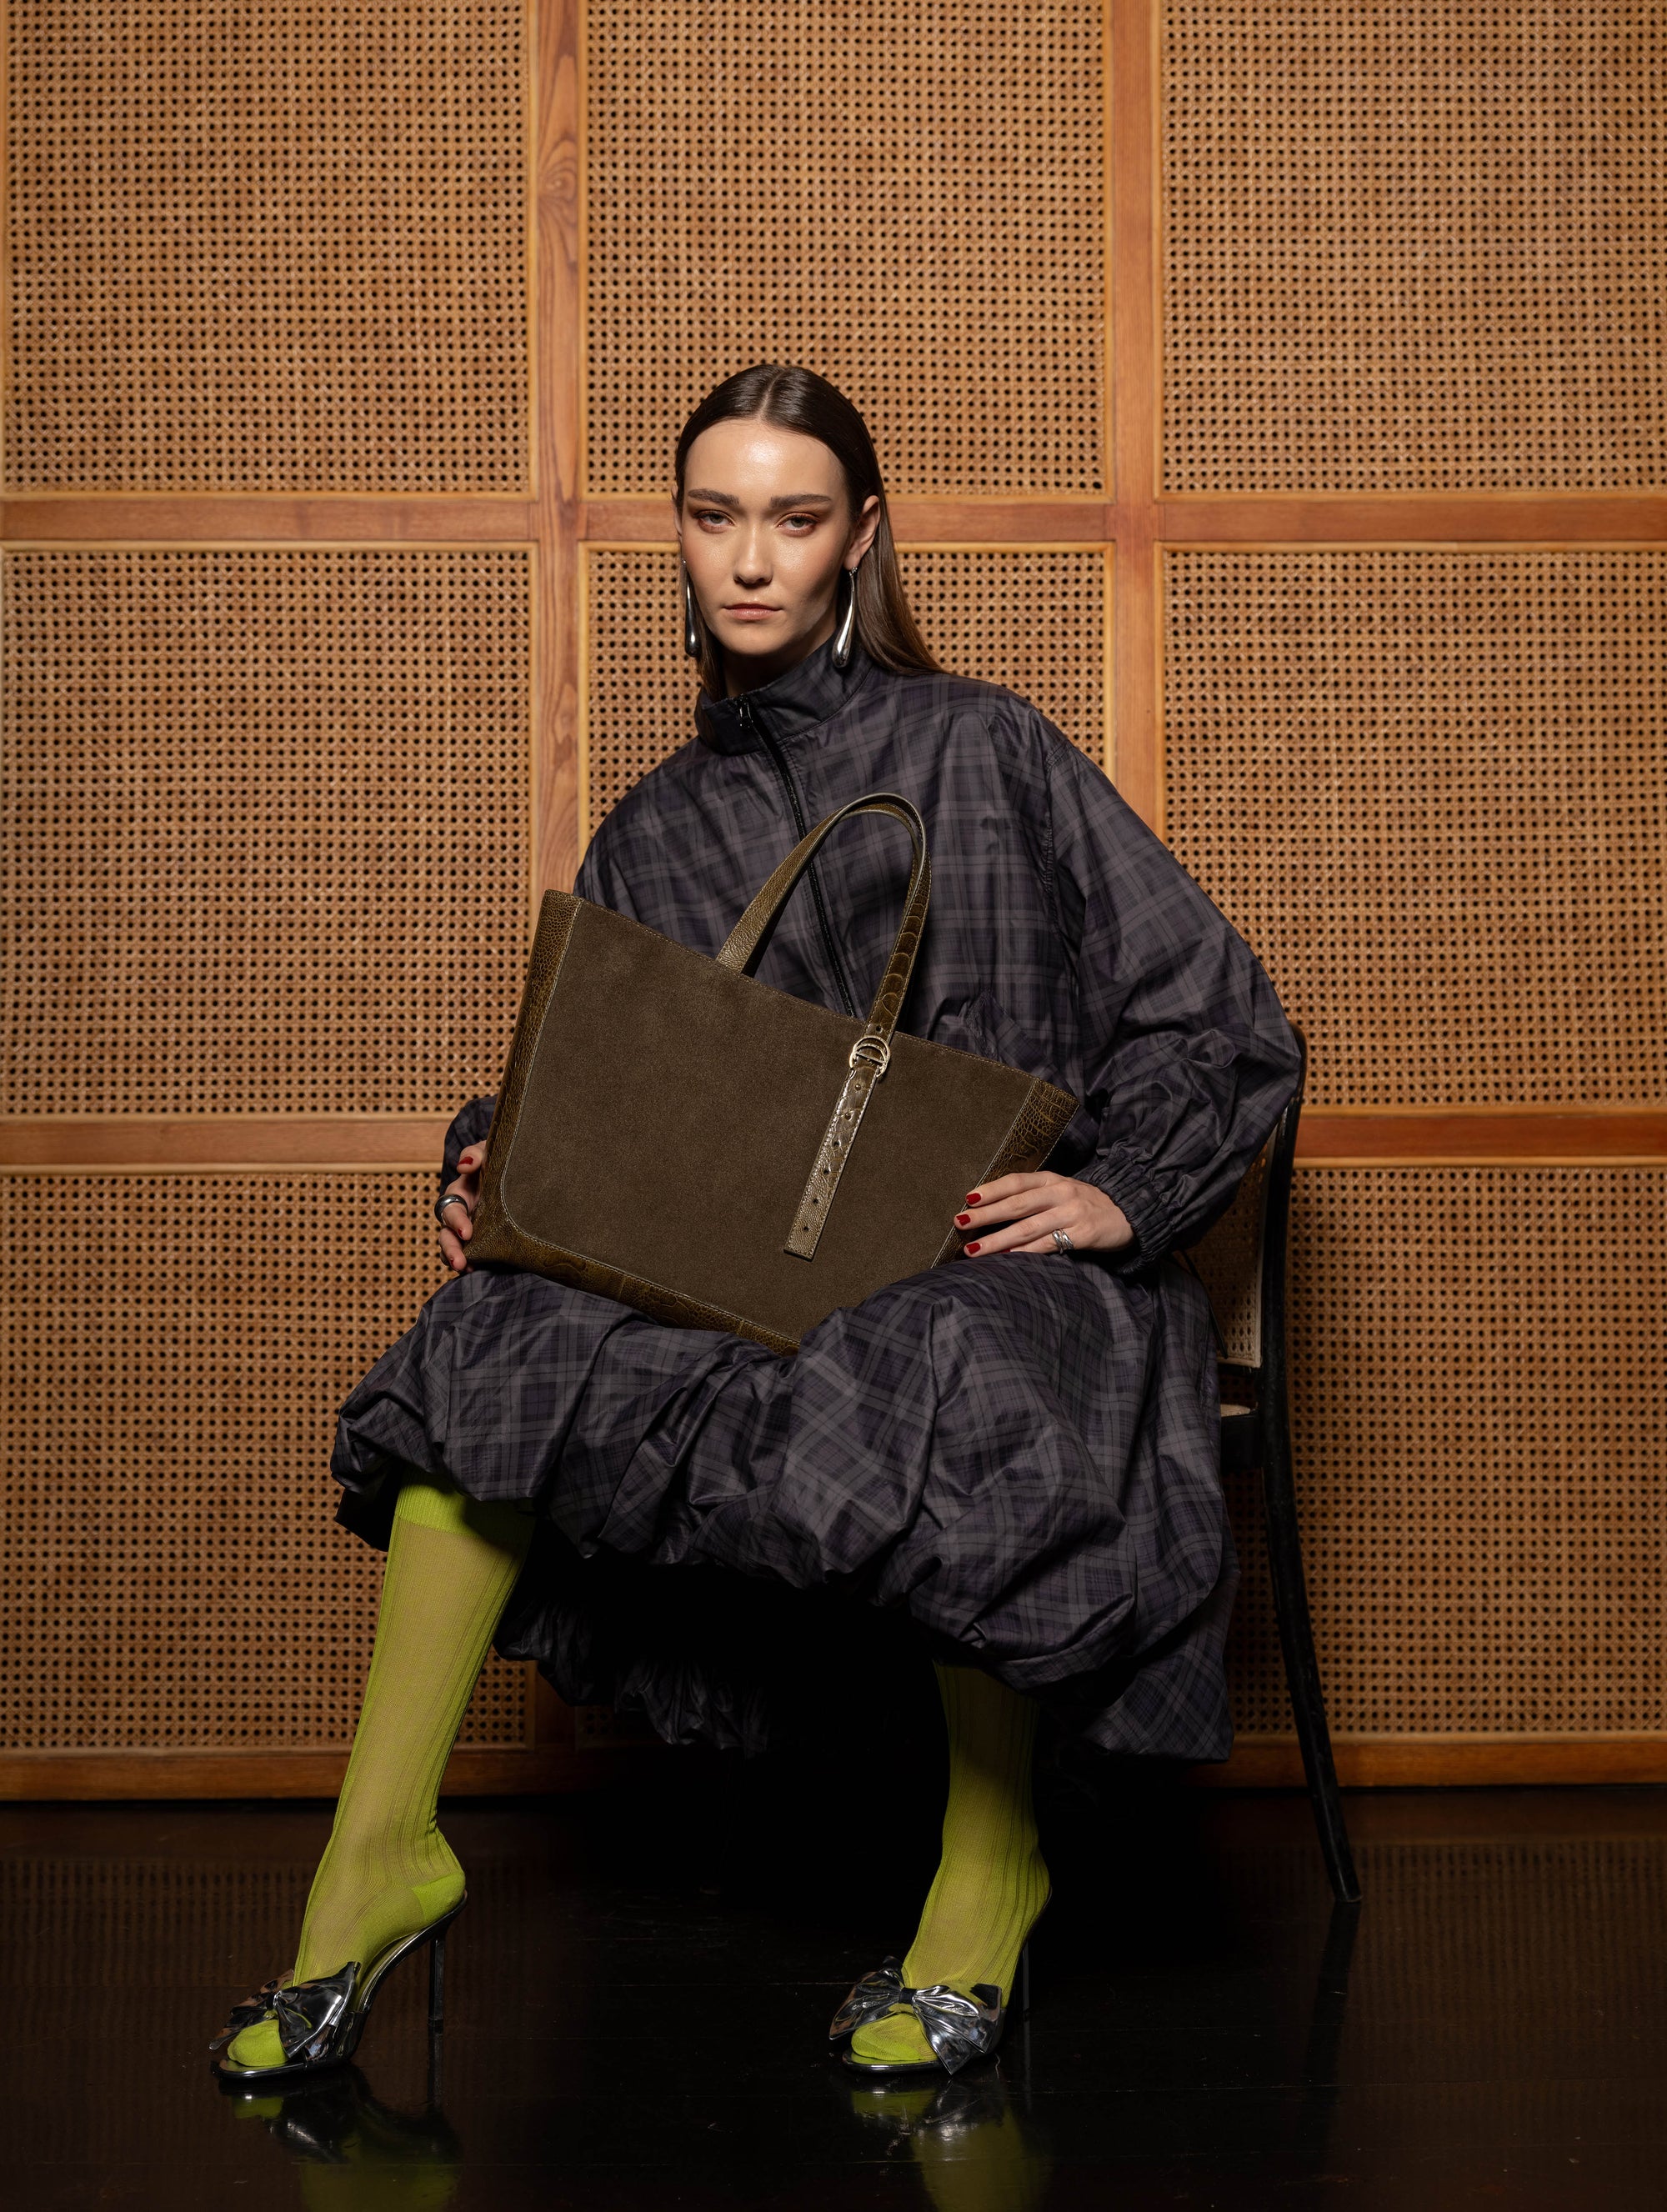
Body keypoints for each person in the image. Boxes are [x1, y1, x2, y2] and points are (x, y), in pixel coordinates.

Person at [212, 364, 1300, 2085]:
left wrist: (1122, 1191)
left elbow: (1221, 1015)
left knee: (945, 1350)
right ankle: (371, 1868)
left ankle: (989, 1867)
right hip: (751, 1287)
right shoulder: (659, 820)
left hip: (1003, 1270)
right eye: (716, 517)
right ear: (680, 538)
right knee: (488, 1338)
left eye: (794, 520)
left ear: (860, 538)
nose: (750, 559)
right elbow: (614, 1077)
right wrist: (498, 1161)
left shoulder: (985, 742)